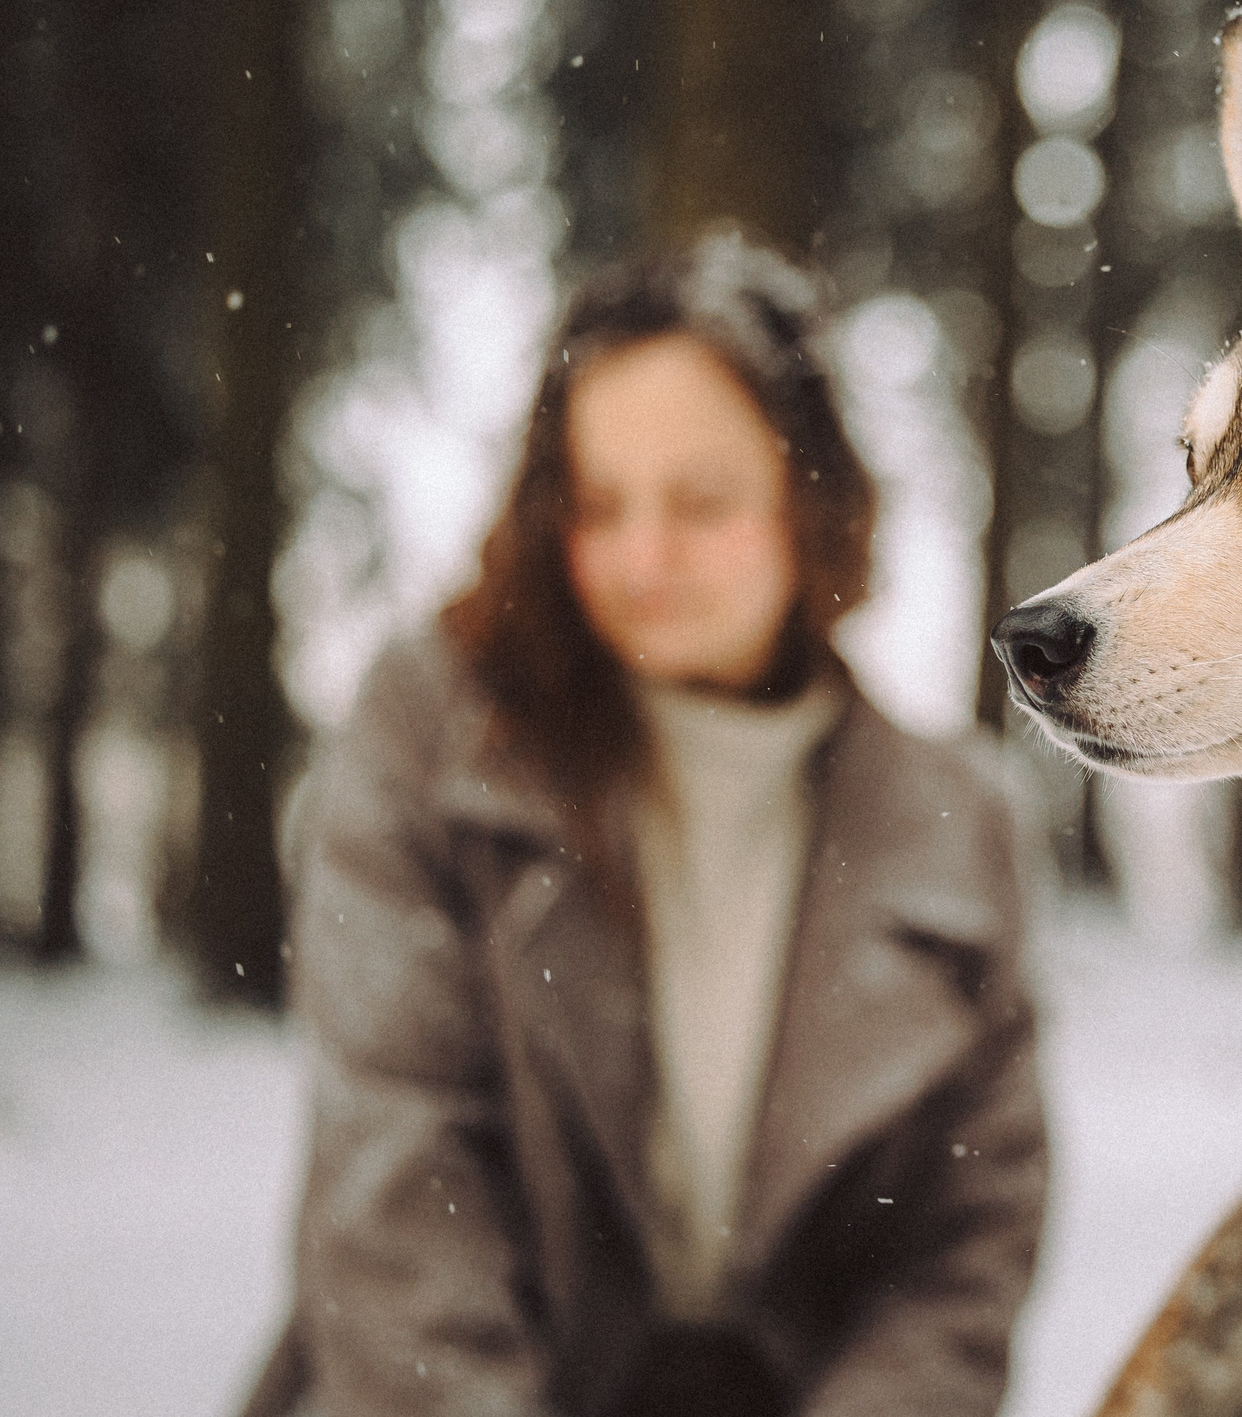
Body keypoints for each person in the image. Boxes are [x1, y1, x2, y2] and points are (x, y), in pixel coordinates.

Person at [243, 236, 1046, 1417]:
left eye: (702, 500)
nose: (644, 557)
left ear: (807, 497)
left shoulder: (954, 821)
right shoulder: (430, 739)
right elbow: (400, 1180)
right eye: (600, 503)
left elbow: (963, 1255)